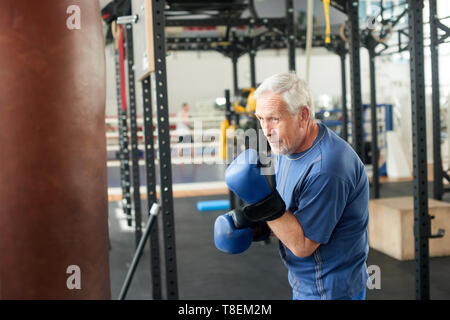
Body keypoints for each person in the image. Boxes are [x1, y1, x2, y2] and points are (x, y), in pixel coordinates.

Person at [216, 72, 369, 300]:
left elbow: (303, 245)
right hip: (307, 284)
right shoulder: (288, 148)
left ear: (303, 115)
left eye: (274, 119)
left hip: (330, 291)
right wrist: (257, 225)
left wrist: (261, 202)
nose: (266, 130)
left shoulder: (327, 168)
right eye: (261, 119)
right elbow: (291, 212)